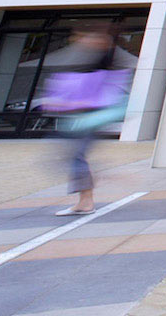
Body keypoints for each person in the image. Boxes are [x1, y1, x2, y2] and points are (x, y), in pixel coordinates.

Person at [47, 23, 133, 216]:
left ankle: (86, 200)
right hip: (84, 118)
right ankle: (89, 193)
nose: (81, 41)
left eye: (85, 37)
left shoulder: (101, 64)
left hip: (87, 119)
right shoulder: (94, 62)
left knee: (75, 158)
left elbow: (93, 96)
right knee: (73, 157)